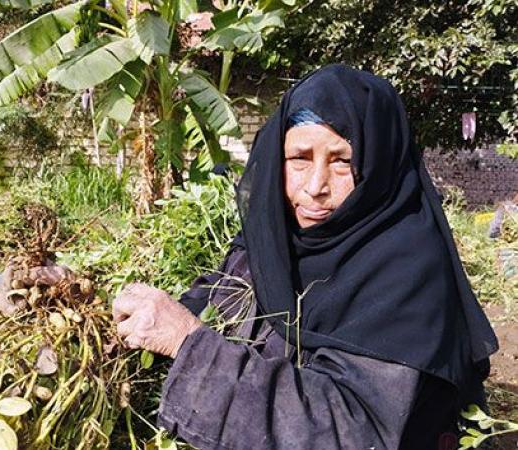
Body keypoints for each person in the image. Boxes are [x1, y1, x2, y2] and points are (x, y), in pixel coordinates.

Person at [111, 64, 499, 450]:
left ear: (379, 165)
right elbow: (209, 306)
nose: (315, 187)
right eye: (299, 157)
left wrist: (189, 344)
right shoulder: (275, 239)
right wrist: (100, 316)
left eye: (342, 161)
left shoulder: (406, 272)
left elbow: (349, 430)